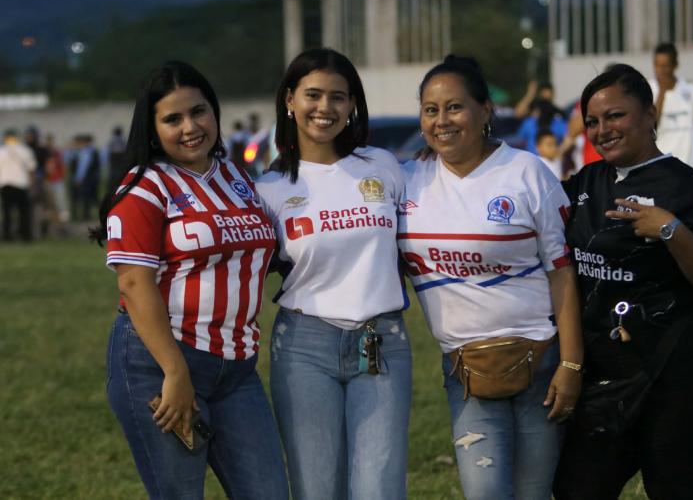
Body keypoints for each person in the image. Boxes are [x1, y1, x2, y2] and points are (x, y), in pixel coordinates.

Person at [91, 61, 288, 499]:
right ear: (152, 127)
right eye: (172, 119)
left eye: (198, 112)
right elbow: (134, 284)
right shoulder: (144, 189)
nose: (189, 127)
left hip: (237, 369)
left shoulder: (235, 177)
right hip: (162, 365)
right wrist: (174, 371)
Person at [398, 55, 582, 499]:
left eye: (455, 107)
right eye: (430, 109)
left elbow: (562, 275)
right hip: (465, 372)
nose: (442, 120)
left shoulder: (527, 172)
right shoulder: (405, 180)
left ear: (485, 111)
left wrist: (572, 365)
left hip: (541, 365)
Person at [553, 64, 693, 499]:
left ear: (649, 114)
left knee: (674, 488)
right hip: (608, 368)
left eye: (615, 116)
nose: (602, 130)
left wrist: (672, 230)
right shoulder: (584, 183)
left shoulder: (686, 187)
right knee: (577, 488)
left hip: (680, 364)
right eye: (593, 121)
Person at [255, 48, 411, 500]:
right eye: (313, 95)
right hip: (304, 348)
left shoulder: (383, 166)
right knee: (316, 489)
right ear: (289, 99)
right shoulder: (269, 189)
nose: (325, 108)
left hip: (382, 343)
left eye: (338, 97)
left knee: (378, 489)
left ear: (352, 105)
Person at [650, 42, 693, 187]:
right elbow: (652, 126)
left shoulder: (690, 89)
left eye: (665, 66)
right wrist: (662, 93)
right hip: (661, 169)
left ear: (675, 65)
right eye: (658, 65)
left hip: (690, 168)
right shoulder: (648, 90)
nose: (661, 71)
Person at [0, 128, 37, 241]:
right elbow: (31, 169)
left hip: (5, 183)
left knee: (7, 212)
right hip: (21, 183)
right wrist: (32, 183)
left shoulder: (1, 151)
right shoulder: (25, 150)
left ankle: (7, 235)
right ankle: (25, 235)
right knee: (24, 212)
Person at [68, 134, 101, 221]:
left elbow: (90, 167)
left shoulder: (92, 152)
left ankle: (86, 215)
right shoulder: (76, 153)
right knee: (75, 198)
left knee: (87, 198)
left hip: (87, 179)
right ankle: (75, 215)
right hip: (76, 179)